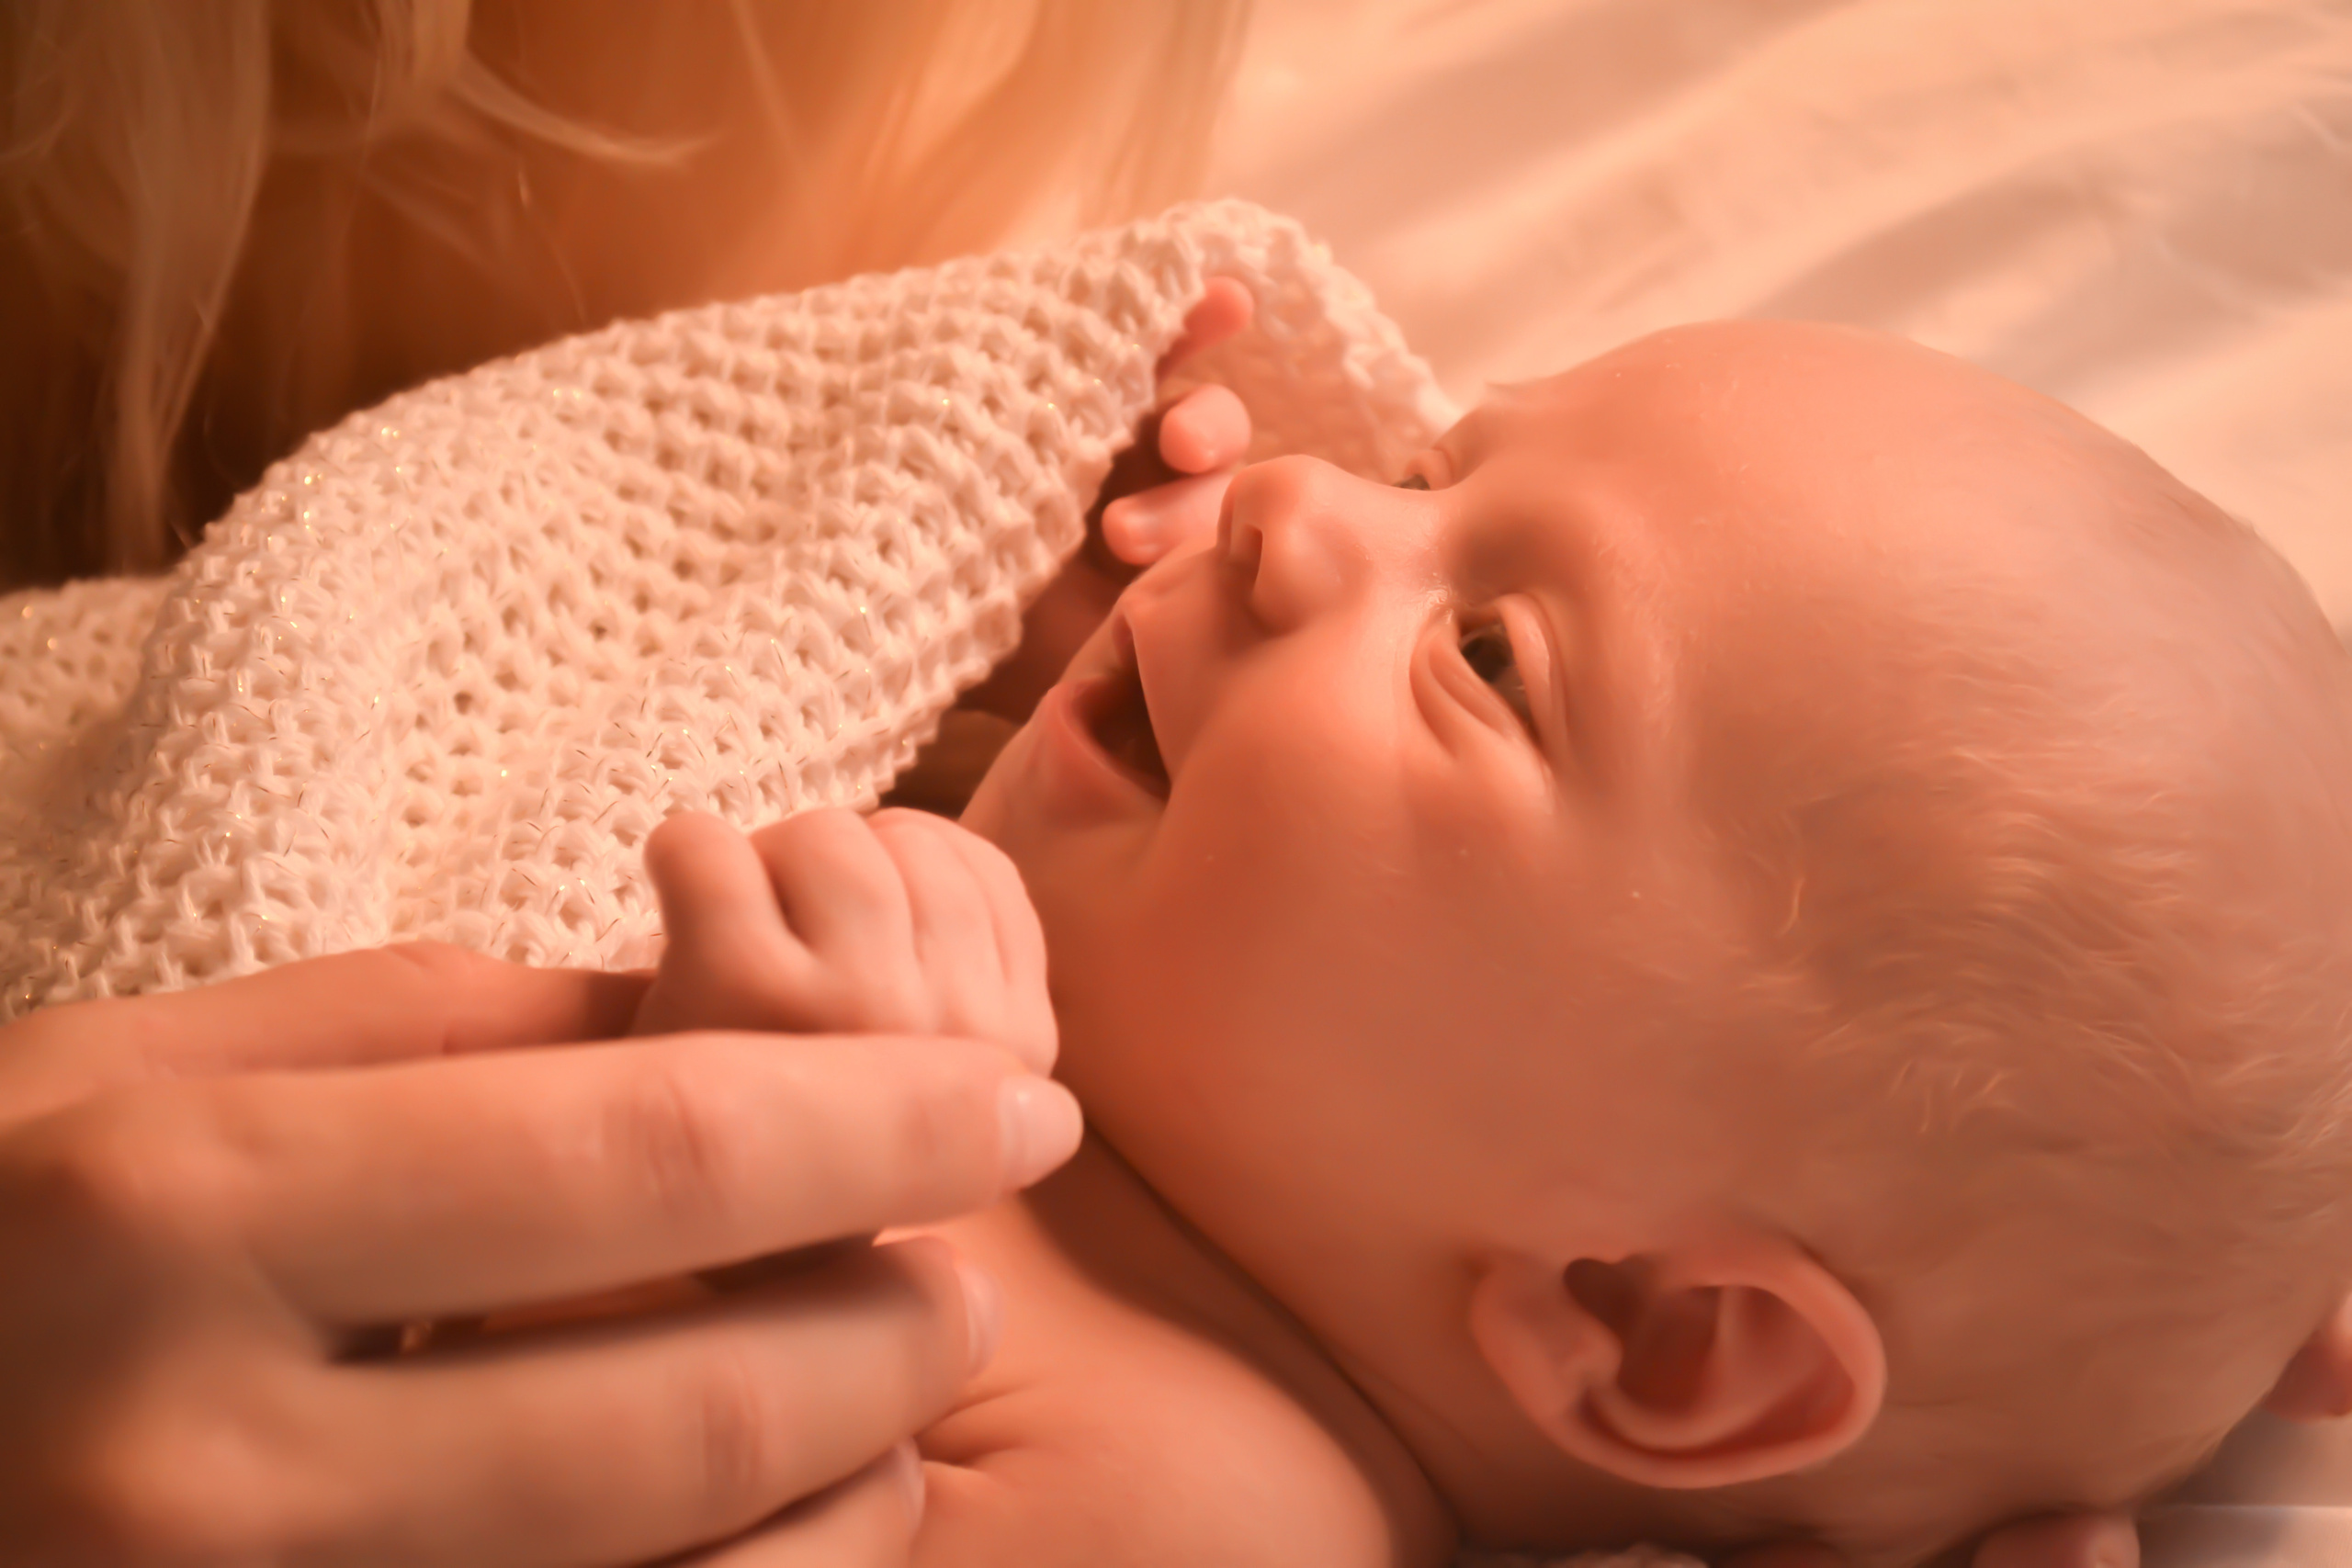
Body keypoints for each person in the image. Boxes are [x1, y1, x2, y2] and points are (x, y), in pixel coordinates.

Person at [625, 320, 2352, 1567]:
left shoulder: (1200, 1497)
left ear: (1644, 1326)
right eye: (1423, 471)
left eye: (1488, 659)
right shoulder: (1153, 1091)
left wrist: (747, 1194)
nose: (1287, 507)